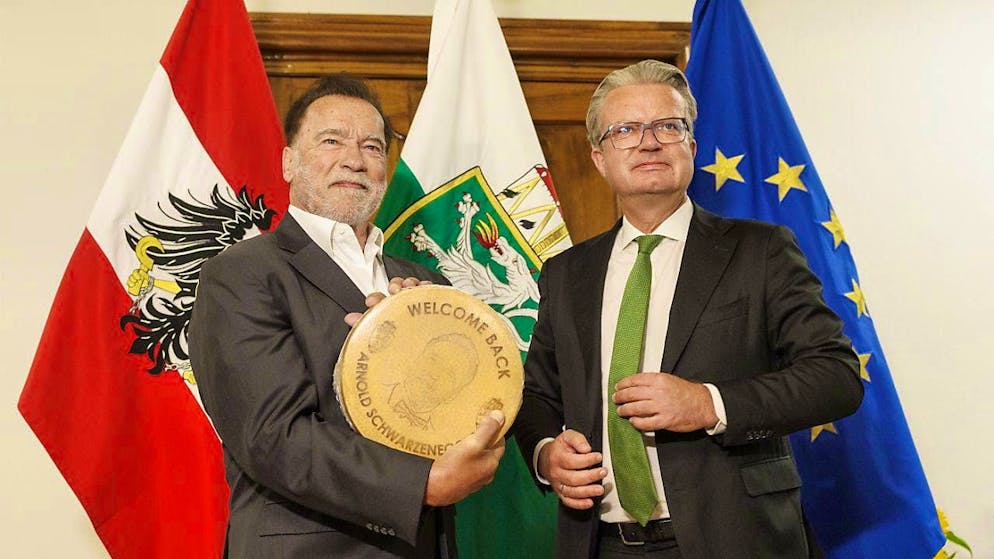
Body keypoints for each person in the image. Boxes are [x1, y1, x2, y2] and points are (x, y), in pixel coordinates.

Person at [513, 60, 864, 559]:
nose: (648, 141)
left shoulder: (759, 250)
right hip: (600, 542)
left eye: (667, 126)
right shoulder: (567, 273)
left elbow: (836, 376)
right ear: (599, 158)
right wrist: (546, 453)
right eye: (626, 130)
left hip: (736, 538)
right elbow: (536, 394)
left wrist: (709, 403)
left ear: (691, 149)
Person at [189, 75, 505, 559]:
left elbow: (460, 410)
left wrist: (417, 348)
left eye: (372, 147)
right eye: (331, 140)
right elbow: (273, 437)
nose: (354, 160)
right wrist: (421, 484)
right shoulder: (240, 275)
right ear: (289, 161)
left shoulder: (423, 282)